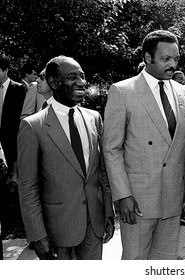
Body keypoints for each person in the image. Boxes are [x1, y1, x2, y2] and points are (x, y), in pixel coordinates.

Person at [102, 30, 185, 260]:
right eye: (166, 59)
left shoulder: (183, 92)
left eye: (176, 58)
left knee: (164, 265)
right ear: (148, 58)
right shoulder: (123, 91)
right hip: (137, 200)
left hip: (172, 199)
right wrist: (122, 196)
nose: (172, 64)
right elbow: (112, 148)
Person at [17, 56, 114, 260]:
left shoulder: (94, 118)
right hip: (57, 230)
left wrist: (108, 213)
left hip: (94, 225)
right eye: (72, 77)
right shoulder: (33, 126)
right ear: (54, 82)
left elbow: (102, 172)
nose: (81, 82)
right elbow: (28, 187)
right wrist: (38, 234)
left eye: (82, 76)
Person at [0, 56, 27, 238]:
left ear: (5, 70)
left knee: (17, 182)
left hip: (13, 143)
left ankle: (22, 224)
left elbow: (22, 119)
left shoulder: (19, 89)